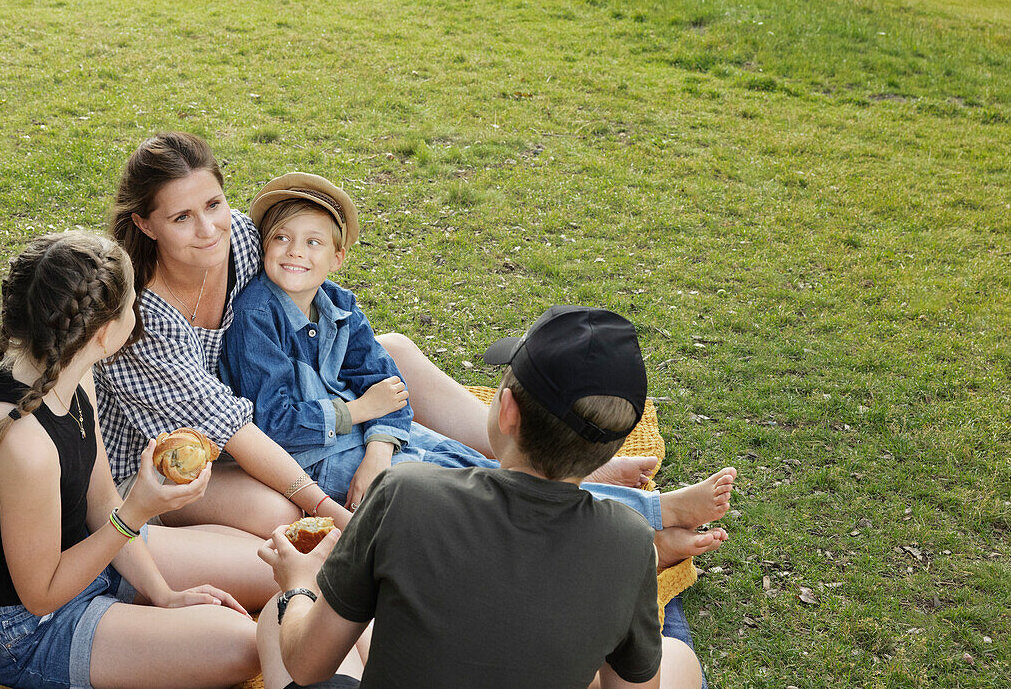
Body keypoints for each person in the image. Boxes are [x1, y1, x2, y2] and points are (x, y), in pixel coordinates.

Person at [94, 132, 664, 537]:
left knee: (393, 352)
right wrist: (331, 501)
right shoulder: (142, 318)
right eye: (181, 218)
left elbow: (324, 321)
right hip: (185, 464)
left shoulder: (245, 239)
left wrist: (378, 433)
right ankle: (518, 506)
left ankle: (537, 464)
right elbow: (238, 431)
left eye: (213, 204)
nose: (208, 228)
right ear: (144, 224)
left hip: (279, 413)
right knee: (288, 520)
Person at [219, 172, 738, 527]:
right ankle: (647, 517)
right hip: (314, 464)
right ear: (264, 244)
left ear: (338, 256)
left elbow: (391, 390)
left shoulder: (339, 303)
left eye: (313, 242)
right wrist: (359, 412)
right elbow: (273, 424)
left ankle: (629, 512)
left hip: (366, 449)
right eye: (282, 238)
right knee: (476, 497)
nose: (295, 252)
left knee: (486, 472)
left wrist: (380, 446)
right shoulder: (254, 317)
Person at [255, 306, 710, 688]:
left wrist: (299, 581)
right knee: (676, 657)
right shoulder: (630, 543)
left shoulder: (403, 493)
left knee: (280, 622)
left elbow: (305, 664)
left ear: (507, 410)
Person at [0, 232, 276, 689]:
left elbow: (101, 500)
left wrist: (163, 594)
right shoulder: (23, 445)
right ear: (104, 333)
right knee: (245, 644)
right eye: (131, 308)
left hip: (87, 558)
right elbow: (40, 596)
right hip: (27, 631)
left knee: (274, 565)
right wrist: (139, 510)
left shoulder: (74, 375)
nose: (137, 315)